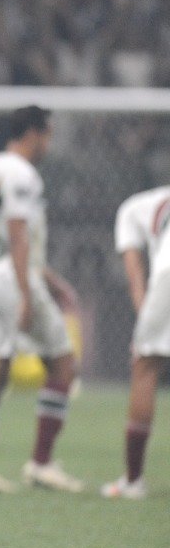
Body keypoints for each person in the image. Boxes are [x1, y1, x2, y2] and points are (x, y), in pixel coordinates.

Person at [0, 105, 84, 493]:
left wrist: (48, 278)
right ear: (33, 133)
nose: (49, 143)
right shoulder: (22, 174)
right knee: (63, 365)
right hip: (11, 278)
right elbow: (17, 232)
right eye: (48, 134)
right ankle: (42, 464)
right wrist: (27, 290)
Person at [104, 183, 170, 499]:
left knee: (145, 368)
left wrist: (148, 322)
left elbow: (135, 276)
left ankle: (132, 481)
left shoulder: (132, 207)